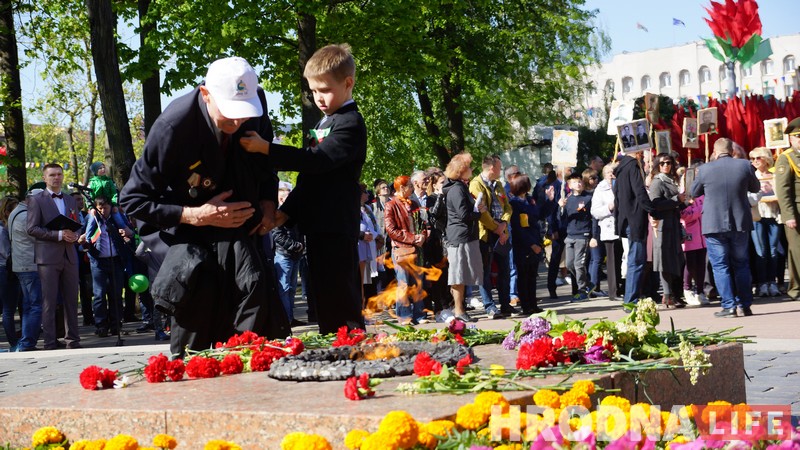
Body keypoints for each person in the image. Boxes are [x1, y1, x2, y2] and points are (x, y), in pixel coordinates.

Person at [120, 56, 290, 357]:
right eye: (229, 114)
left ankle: (245, 368)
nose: (237, 122)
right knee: (198, 301)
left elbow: (265, 166)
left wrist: (266, 201)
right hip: (186, 234)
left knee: (253, 294)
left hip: (239, 230)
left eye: (244, 114)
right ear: (205, 94)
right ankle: (192, 373)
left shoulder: (254, 104)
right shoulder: (173, 128)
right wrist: (196, 215)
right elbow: (133, 200)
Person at [239, 44, 366, 334]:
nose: (319, 98)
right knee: (322, 294)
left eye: (325, 90)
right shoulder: (326, 121)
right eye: (313, 91)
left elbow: (317, 162)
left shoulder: (350, 123)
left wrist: (266, 148)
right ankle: (334, 341)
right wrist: (285, 213)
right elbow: (310, 179)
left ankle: (351, 344)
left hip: (336, 224)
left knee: (340, 295)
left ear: (348, 83)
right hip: (319, 224)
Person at [691, 138, 760, 317]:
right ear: (732, 151)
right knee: (742, 264)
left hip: (714, 224)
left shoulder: (705, 169)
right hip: (739, 222)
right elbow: (756, 187)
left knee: (720, 266)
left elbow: (693, 192)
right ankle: (745, 305)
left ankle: (729, 306)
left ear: (714, 152)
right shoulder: (744, 165)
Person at [26, 163, 83, 350]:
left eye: (59, 174)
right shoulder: (36, 200)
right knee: (49, 302)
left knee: (72, 300)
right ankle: (50, 342)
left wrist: (76, 234)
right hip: (47, 257)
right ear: (45, 178)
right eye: (52, 175)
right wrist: (58, 235)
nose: (56, 178)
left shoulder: (69, 199)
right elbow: (32, 228)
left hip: (70, 254)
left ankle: (72, 340)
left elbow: (76, 223)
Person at [469, 155, 518, 318]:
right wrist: (497, 228)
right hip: (486, 234)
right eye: (499, 167)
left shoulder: (498, 184)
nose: (500, 170)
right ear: (491, 168)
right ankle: (489, 306)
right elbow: (482, 213)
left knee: (504, 269)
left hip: (501, 232)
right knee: (485, 271)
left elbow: (508, 208)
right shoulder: (476, 184)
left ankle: (505, 304)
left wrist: (503, 225)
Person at [442, 153, 485, 322]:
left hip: (463, 236)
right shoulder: (457, 189)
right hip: (460, 237)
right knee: (458, 275)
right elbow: (463, 215)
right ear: (461, 171)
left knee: (462, 274)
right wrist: (478, 212)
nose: (472, 170)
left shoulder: (458, 186)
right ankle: (459, 311)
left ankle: (460, 310)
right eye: (469, 167)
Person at [83, 196, 133, 337]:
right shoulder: (92, 219)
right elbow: (84, 235)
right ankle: (101, 325)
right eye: (100, 208)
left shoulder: (117, 218)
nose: (103, 211)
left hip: (116, 260)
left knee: (116, 293)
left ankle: (116, 324)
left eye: (106, 207)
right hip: (98, 262)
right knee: (99, 294)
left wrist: (127, 233)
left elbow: (129, 231)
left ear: (111, 207)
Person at [614, 148, 657, 306]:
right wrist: (652, 209)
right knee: (636, 261)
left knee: (635, 260)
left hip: (627, 219)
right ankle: (631, 300)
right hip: (634, 219)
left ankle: (631, 299)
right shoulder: (632, 166)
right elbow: (639, 192)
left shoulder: (622, 167)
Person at [384, 175, 428, 324]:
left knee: (418, 282)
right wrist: (412, 238)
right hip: (401, 250)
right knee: (403, 283)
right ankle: (404, 316)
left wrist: (422, 236)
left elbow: (423, 224)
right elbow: (391, 230)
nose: (412, 188)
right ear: (401, 188)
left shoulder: (414, 203)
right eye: (409, 185)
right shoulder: (391, 205)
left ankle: (419, 315)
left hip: (417, 249)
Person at [509, 174, 553, 314]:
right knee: (524, 276)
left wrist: (550, 201)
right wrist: (531, 244)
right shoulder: (515, 203)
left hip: (535, 240)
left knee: (532, 276)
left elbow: (539, 214)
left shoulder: (529, 200)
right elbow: (518, 227)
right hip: (523, 245)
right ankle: (526, 305)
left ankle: (533, 304)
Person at [648, 154, 687, 309]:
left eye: (668, 163)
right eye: (662, 163)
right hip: (662, 226)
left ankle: (676, 294)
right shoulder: (657, 182)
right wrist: (677, 200)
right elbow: (656, 204)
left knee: (677, 260)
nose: (666, 165)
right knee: (664, 261)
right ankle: (668, 294)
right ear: (657, 165)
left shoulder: (671, 180)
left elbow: (675, 205)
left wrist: (685, 202)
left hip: (673, 224)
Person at [7, 189, 45, 351]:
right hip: (29, 265)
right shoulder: (25, 216)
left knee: (29, 304)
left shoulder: (17, 212)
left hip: (22, 265)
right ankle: (27, 343)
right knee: (35, 305)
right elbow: (38, 236)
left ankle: (26, 342)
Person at [271, 182, 307, 327]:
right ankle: (285, 319)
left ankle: (290, 318)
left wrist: (300, 246)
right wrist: (295, 245)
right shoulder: (278, 214)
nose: (286, 202)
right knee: (284, 289)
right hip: (283, 255)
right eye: (283, 199)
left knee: (291, 289)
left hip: (295, 255)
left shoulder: (294, 214)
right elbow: (277, 235)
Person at [749, 147, 782, 297]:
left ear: (766, 159)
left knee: (773, 250)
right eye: (753, 158)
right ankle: (762, 283)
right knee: (760, 251)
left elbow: (781, 195)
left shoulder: (774, 176)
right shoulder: (750, 176)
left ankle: (772, 282)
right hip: (757, 216)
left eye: (758, 158)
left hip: (773, 215)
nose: (755, 161)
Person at [558, 173, 595, 301]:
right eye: (574, 182)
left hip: (582, 235)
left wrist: (593, 236)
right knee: (569, 264)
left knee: (579, 264)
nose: (578, 184)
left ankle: (582, 289)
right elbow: (562, 219)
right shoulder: (567, 199)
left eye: (579, 182)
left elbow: (593, 218)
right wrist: (560, 208)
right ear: (569, 185)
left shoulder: (588, 198)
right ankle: (588, 283)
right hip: (570, 235)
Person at [774, 117, 800, 301]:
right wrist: (789, 215)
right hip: (797, 211)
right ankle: (796, 289)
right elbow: (783, 190)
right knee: (797, 251)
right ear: (791, 139)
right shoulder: (786, 158)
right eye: (798, 136)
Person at [591, 163, 622, 301]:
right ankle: (613, 291)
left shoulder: (621, 185)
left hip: (623, 227)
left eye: (613, 171)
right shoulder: (600, 189)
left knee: (623, 259)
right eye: (609, 172)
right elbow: (595, 211)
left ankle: (623, 287)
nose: (611, 174)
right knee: (612, 260)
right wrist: (608, 208)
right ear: (604, 174)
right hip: (609, 227)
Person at [1, 196, 21, 350]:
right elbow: (6, 253)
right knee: (8, 309)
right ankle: (14, 343)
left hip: (7, 269)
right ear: (6, 212)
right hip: (5, 270)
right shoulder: (3, 231)